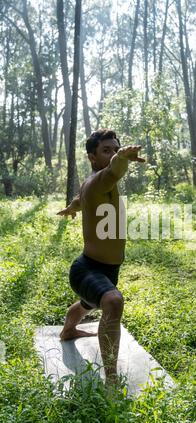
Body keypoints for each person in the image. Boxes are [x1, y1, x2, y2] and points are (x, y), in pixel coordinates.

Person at [57, 128, 144, 386]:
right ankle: (112, 379)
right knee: (113, 302)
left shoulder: (92, 185)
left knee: (87, 303)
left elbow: (82, 199)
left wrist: (72, 207)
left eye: (115, 149)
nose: (112, 154)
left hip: (106, 269)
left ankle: (68, 330)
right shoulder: (101, 180)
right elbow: (114, 171)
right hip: (86, 269)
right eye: (106, 150)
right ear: (92, 158)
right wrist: (123, 158)